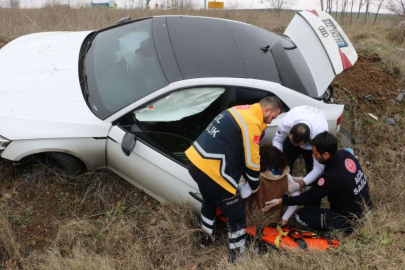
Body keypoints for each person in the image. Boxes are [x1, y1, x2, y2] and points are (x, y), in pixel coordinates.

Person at [185, 96, 282, 261]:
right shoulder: (252, 123)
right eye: (273, 116)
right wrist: (255, 185)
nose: (272, 120)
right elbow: (252, 161)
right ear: (266, 110)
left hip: (195, 162)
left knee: (209, 201)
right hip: (211, 171)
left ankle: (205, 240)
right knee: (236, 214)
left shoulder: (241, 109)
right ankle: (237, 257)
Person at [264, 131, 372, 233]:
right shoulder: (346, 155)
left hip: (350, 218)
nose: (313, 156)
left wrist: (281, 201)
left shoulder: (331, 177)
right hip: (366, 207)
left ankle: (344, 229)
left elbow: (307, 198)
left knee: (301, 215)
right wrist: (301, 178)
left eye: (315, 154)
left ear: (326, 155)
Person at [272, 106, 328, 192]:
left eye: (297, 144)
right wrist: (281, 162)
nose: (294, 146)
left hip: (313, 142)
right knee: (282, 164)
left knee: (314, 176)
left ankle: (311, 201)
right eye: (292, 142)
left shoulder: (319, 136)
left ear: (309, 138)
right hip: (296, 132)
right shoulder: (287, 122)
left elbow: (318, 168)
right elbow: (277, 140)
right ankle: (283, 196)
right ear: (290, 129)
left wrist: (300, 184)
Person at [241, 145, 299, 227]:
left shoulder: (257, 176)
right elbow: (296, 197)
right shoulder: (286, 176)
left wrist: (242, 183)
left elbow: (244, 194)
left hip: (254, 220)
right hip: (274, 219)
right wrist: (285, 217)